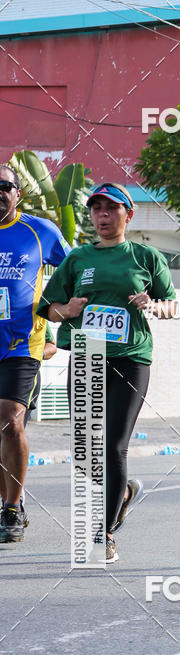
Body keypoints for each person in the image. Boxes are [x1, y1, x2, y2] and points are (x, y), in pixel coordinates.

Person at [36, 182, 178, 561]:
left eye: (111, 209)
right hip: (86, 354)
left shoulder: (146, 256)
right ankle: (123, 496)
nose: (102, 216)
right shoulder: (78, 258)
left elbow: (171, 306)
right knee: (85, 447)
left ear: (127, 215)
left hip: (131, 357)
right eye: (97, 209)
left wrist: (153, 302)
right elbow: (49, 308)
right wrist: (67, 310)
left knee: (114, 446)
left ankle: (105, 532)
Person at [0, 164, 70, 543]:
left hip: (23, 344)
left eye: (3, 186)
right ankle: (11, 502)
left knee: (10, 420)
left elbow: (75, 272)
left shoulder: (41, 231)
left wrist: (58, 326)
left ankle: (11, 510)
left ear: (18, 193)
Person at [0, 322, 57, 527]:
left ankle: (13, 505)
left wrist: (25, 352)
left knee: (9, 428)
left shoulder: (25, 303)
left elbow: (52, 345)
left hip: (20, 373)